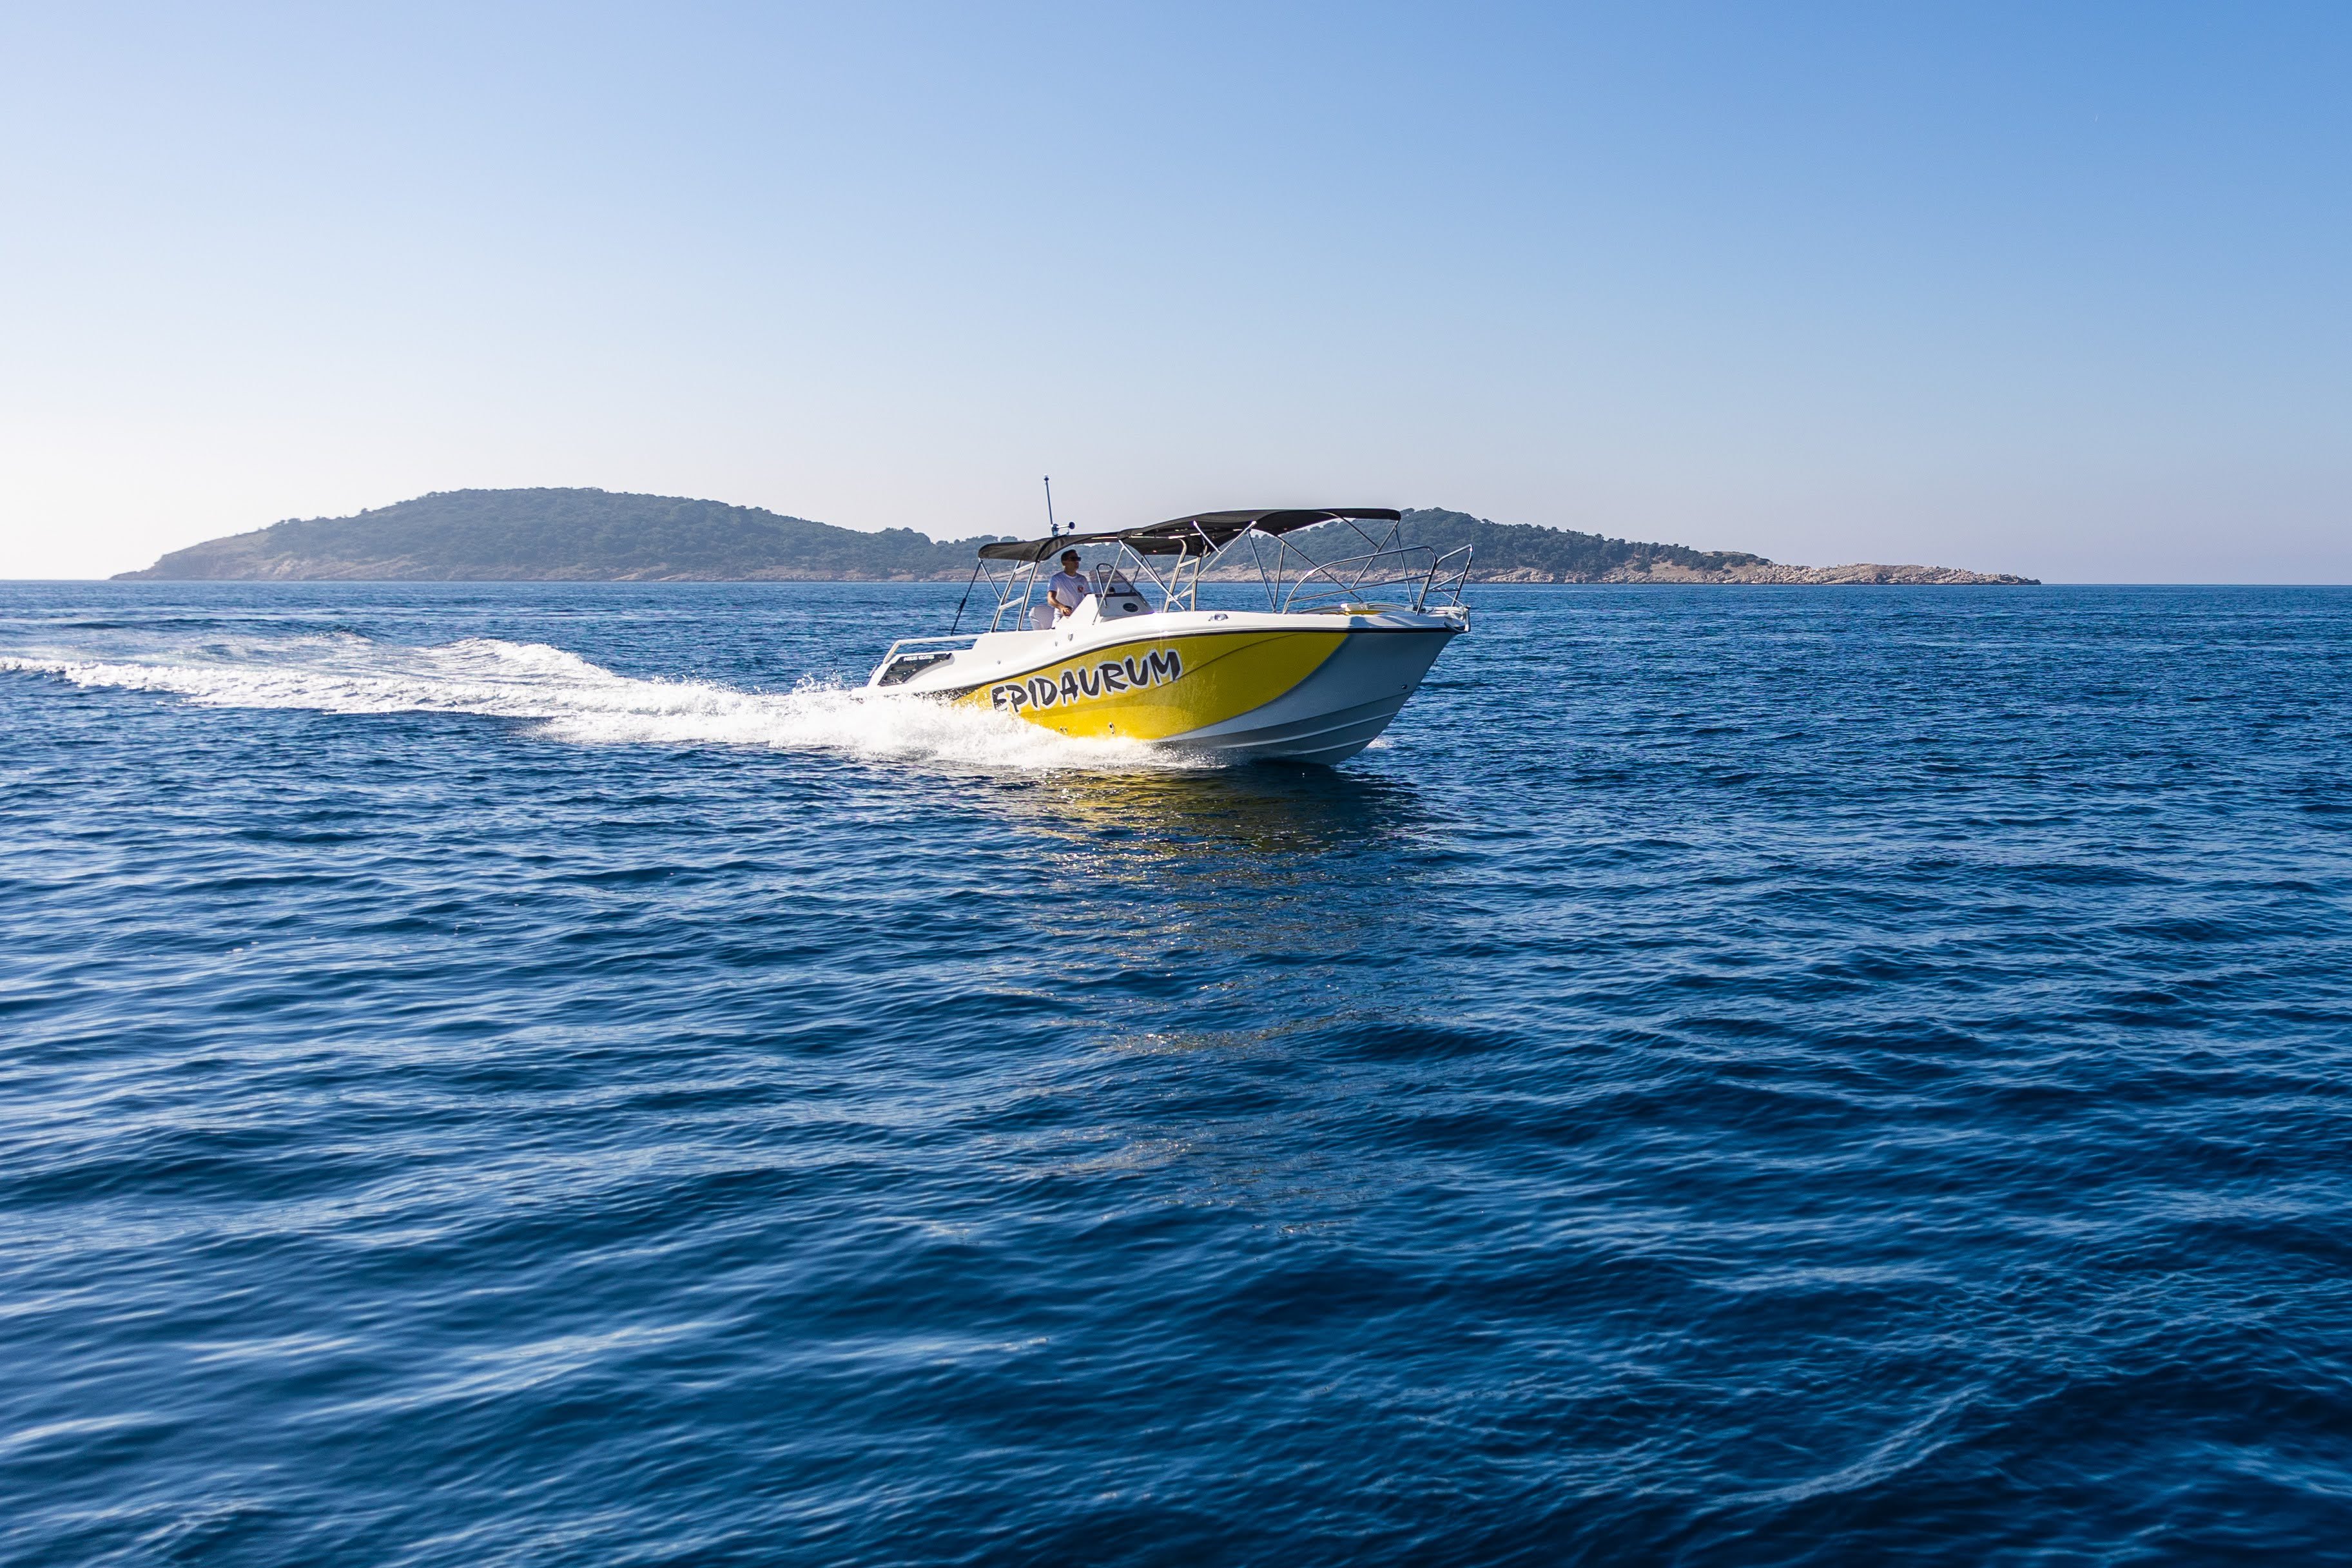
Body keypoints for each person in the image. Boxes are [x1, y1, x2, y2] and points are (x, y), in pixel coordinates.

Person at [1046, 549, 1091, 623]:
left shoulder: (1082, 579)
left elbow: (1089, 598)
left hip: (1079, 618)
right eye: (1073, 559)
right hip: (1062, 619)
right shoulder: (1056, 579)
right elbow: (1050, 599)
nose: (1076, 562)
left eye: (1078, 559)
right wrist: (1062, 607)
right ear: (1064, 563)